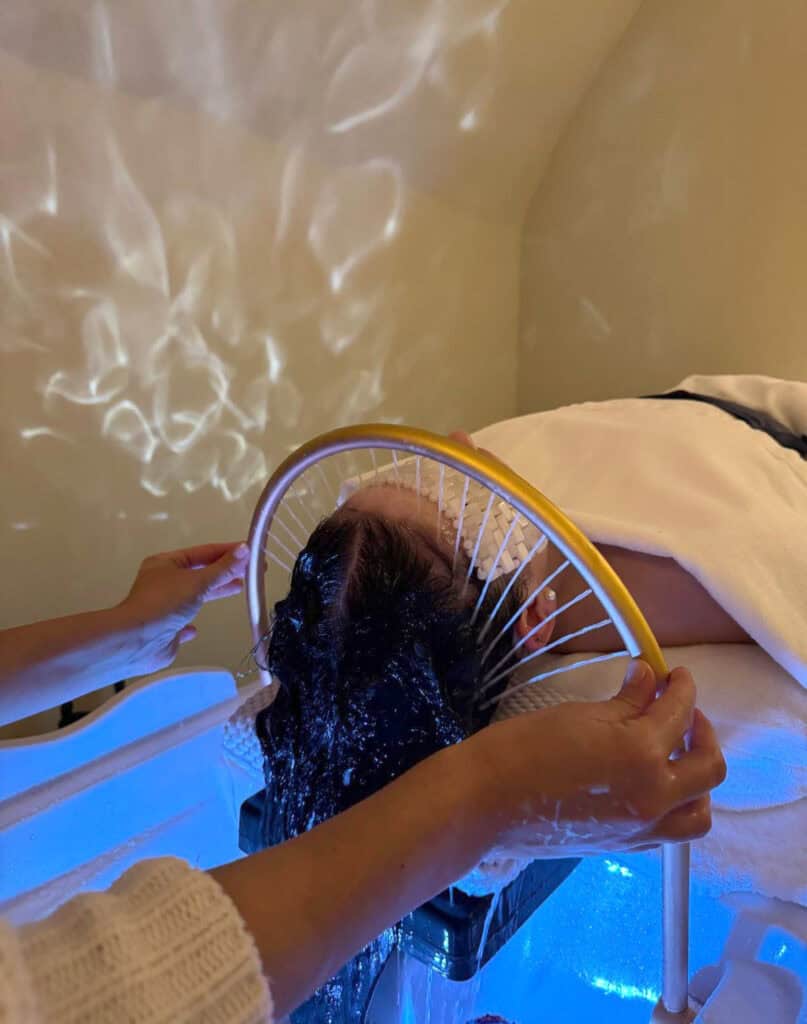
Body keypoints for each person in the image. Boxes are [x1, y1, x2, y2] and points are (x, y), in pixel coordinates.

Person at [0, 538, 725, 1022]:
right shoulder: (573, 583)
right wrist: (492, 788)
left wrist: (127, 632)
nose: (448, 445)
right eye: (450, 531)